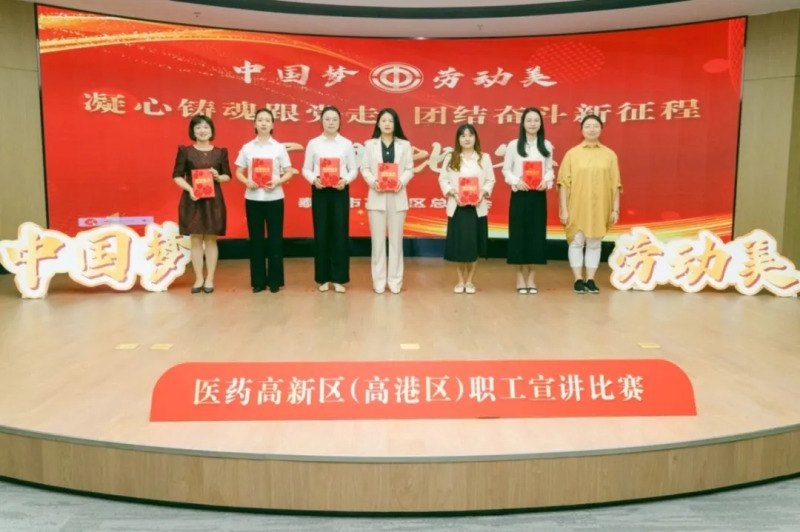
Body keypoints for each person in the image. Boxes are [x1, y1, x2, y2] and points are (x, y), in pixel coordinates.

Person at [557, 114, 622, 294]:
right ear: (581, 130)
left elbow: (616, 184)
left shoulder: (609, 155)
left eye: (595, 126)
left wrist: (615, 209)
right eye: (588, 126)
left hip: (600, 206)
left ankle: (591, 280)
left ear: (601, 129)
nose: (592, 129)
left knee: (594, 243)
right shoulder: (572, 154)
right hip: (577, 205)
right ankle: (578, 279)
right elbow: (563, 183)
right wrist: (564, 209)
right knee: (577, 242)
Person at [234, 108, 295, 293]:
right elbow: (238, 171)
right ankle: (258, 281)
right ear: (254, 123)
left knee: (275, 240)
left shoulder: (279, 147)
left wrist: (278, 181)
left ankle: (275, 281)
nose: (263, 123)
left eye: (267, 120)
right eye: (260, 120)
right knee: (256, 240)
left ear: (272, 124)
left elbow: (289, 171)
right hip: (253, 198)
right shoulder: (247, 147)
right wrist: (246, 181)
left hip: (274, 198)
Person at [171, 115, 231, 294]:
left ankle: (210, 277)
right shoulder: (185, 151)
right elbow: (177, 175)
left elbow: (228, 176)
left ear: (211, 130)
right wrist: (190, 189)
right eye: (198, 127)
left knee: (211, 239)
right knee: (196, 239)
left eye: (206, 127)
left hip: (213, 201)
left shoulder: (220, 152)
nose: (202, 130)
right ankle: (198, 277)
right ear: (193, 131)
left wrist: (218, 176)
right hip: (193, 200)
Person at [301, 106, 358, 293]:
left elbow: (353, 169)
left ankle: (339, 278)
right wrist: (314, 180)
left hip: (340, 190)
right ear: (321, 121)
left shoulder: (346, 144)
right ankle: (323, 278)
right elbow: (306, 169)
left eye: (334, 119)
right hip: (320, 191)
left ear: (340, 122)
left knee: (340, 233)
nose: (331, 122)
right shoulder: (313, 144)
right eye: (327, 119)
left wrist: (345, 180)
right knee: (322, 233)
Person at [360, 108, 415, 294]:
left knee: (396, 242)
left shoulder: (404, 145)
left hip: (397, 197)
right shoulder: (370, 145)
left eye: (390, 121)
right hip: (377, 196)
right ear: (378, 123)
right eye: (383, 120)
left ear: (395, 124)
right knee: (377, 242)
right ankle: (378, 281)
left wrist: (401, 182)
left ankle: (395, 281)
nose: (387, 124)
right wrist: (373, 182)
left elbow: (409, 169)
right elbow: (365, 168)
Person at [502, 107, 554, 294]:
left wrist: (546, 180)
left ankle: (531, 278)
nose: (533, 124)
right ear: (523, 123)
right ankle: (519, 278)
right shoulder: (513, 145)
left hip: (538, 196)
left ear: (541, 124)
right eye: (529, 120)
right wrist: (516, 181)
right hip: (520, 195)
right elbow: (506, 170)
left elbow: (549, 169)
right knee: (519, 236)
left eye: (536, 120)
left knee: (535, 237)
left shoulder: (546, 145)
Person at [438, 124, 495, 294]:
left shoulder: (484, 158)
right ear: (458, 139)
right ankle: (460, 281)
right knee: (459, 247)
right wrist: (454, 193)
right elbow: (443, 180)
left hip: (477, 208)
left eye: (470, 135)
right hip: (458, 207)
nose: (467, 138)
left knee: (474, 246)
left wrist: (482, 193)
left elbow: (490, 180)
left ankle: (470, 281)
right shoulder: (451, 157)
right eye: (463, 136)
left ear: (475, 137)